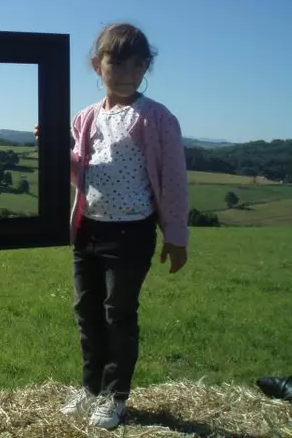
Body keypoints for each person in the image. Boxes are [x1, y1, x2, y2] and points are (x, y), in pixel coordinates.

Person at [34, 23, 189, 430]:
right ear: (96, 65)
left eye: (135, 64)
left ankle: (116, 396)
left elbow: (173, 180)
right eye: (114, 61)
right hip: (87, 230)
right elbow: (80, 174)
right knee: (86, 312)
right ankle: (90, 389)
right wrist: (52, 145)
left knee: (118, 313)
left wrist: (176, 237)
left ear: (145, 68)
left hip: (131, 233)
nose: (123, 71)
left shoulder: (155, 118)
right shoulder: (85, 118)